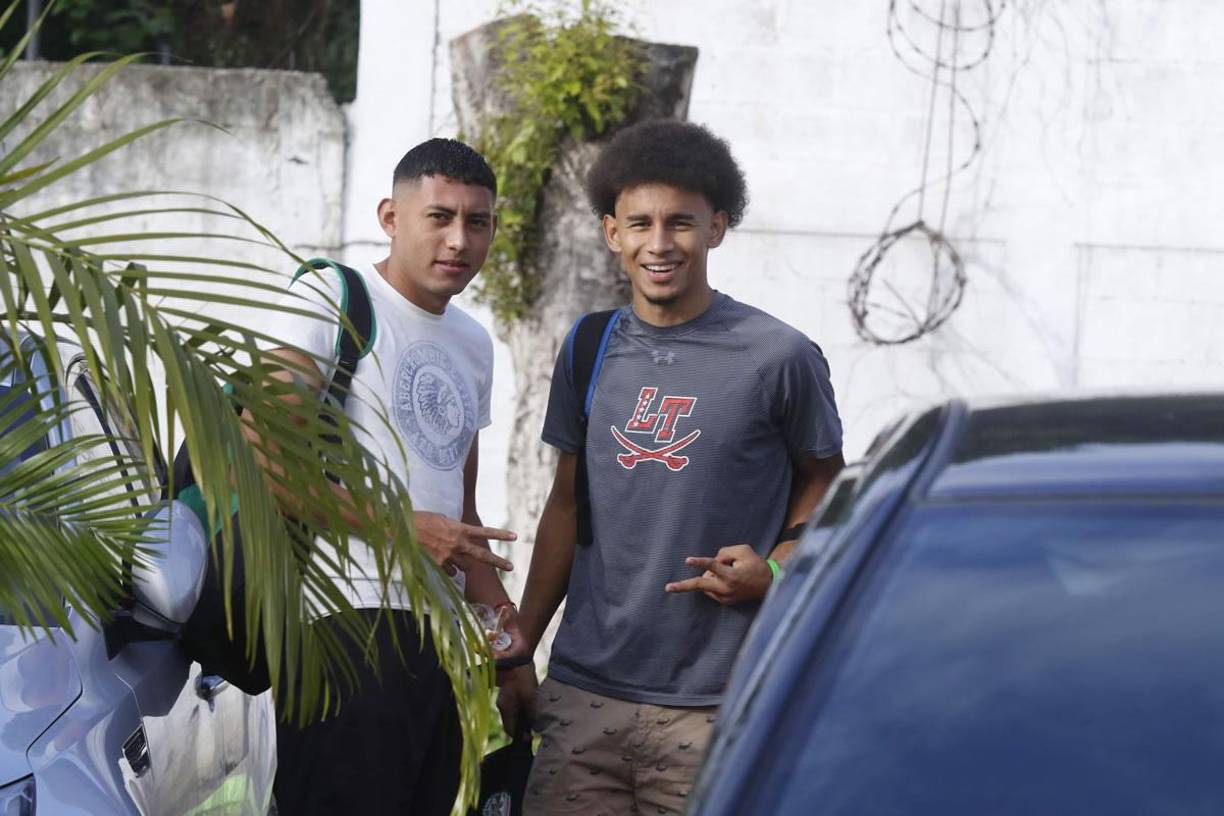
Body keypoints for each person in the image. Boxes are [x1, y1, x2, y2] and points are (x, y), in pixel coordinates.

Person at [498, 120, 845, 814]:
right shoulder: (588, 346)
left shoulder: (780, 357)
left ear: (717, 227)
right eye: (640, 224)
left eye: (680, 223)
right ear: (611, 233)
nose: (660, 245)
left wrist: (776, 568)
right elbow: (567, 504)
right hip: (584, 694)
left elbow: (828, 478)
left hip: (717, 702)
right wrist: (520, 651)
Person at [252, 138, 523, 815]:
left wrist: (508, 648)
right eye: (439, 217)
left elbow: (458, 507)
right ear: (390, 216)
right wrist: (401, 527)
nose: (459, 240)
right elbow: (259, 457)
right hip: (343, 628)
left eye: (478, 222)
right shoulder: (332, 294)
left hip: (441, 646)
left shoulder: (473, 343)